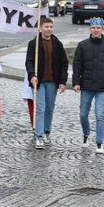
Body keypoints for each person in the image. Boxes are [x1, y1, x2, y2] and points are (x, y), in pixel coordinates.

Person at [72, 18, 104, 154]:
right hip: (86, 85)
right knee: (83, 114)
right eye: (93, 28)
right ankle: (86, 133)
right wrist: (76, 82)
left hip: (101, 87)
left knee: (100, 115)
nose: (96, 30)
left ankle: (99, 142)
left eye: (98, 28)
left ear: (102, 29)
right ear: (90, 29)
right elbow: (77, 65)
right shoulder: (82, 45)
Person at [25, 16, 68, 150]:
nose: (49, 29)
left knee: (49, 108)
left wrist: (62, 81)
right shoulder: (34, 44)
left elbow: (64, 63)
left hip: (52, 82)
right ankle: (38, 135)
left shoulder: (57, 43)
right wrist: (32, 75)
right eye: (46, 27)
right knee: (40, 108)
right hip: (39, 81)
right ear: (41, 28)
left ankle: (46, 131)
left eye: (51, 27)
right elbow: (29, 61)